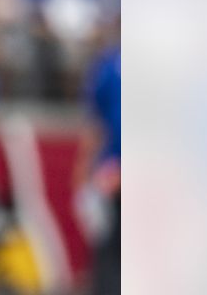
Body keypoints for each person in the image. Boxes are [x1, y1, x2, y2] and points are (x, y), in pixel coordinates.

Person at [82, 45, 120, 294]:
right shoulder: (109, 65)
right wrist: (85, 171)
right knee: (108, 248)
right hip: (111, 171)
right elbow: (95, 123)